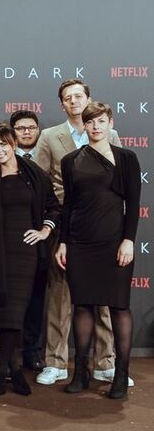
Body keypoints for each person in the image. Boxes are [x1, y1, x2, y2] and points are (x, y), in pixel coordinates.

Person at [34, 79, 123, 386]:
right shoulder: (49, 136)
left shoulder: (109, 134)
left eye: (78, 96)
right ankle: (55, 362)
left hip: (102, 225)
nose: (73, 101)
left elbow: (120, 183)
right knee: (60, 297)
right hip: (64, 224)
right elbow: (40, 181)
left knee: (103, 295)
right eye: (67, 98)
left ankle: (105, 362)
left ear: (88, 99)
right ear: (62, 105)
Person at [56, 102, 140, 399]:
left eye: (101, 121)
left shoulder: (126, 158)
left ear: (110, 123)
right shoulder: (70, 161)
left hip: (114, 243)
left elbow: (133, 204)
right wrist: (63, 242)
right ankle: (81, 373)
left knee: (118, 307)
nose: (95, 127)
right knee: (82, 306)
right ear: (84, 125)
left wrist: (128, 240)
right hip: (80, 242)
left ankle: (121, 375)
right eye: (90, 122)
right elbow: (68, 206)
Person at [0, 125, 59, 396]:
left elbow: (54, 207)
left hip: (25, 255)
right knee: (3, 314)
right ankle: (15, 371)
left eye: (3, 144)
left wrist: (44, 230)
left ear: (14, 144)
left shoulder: (35, 175)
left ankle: (1, 370)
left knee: (16, 313)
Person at [9, 109, 46, 372]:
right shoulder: (2, 157)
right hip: (8, 242)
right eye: (21, 128)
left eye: (31, 127)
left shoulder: (48, 156)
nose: (26, 132)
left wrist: (45, 229)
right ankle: (8, 355)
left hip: (39, 243)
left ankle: (32, 352)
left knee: (36, 300)